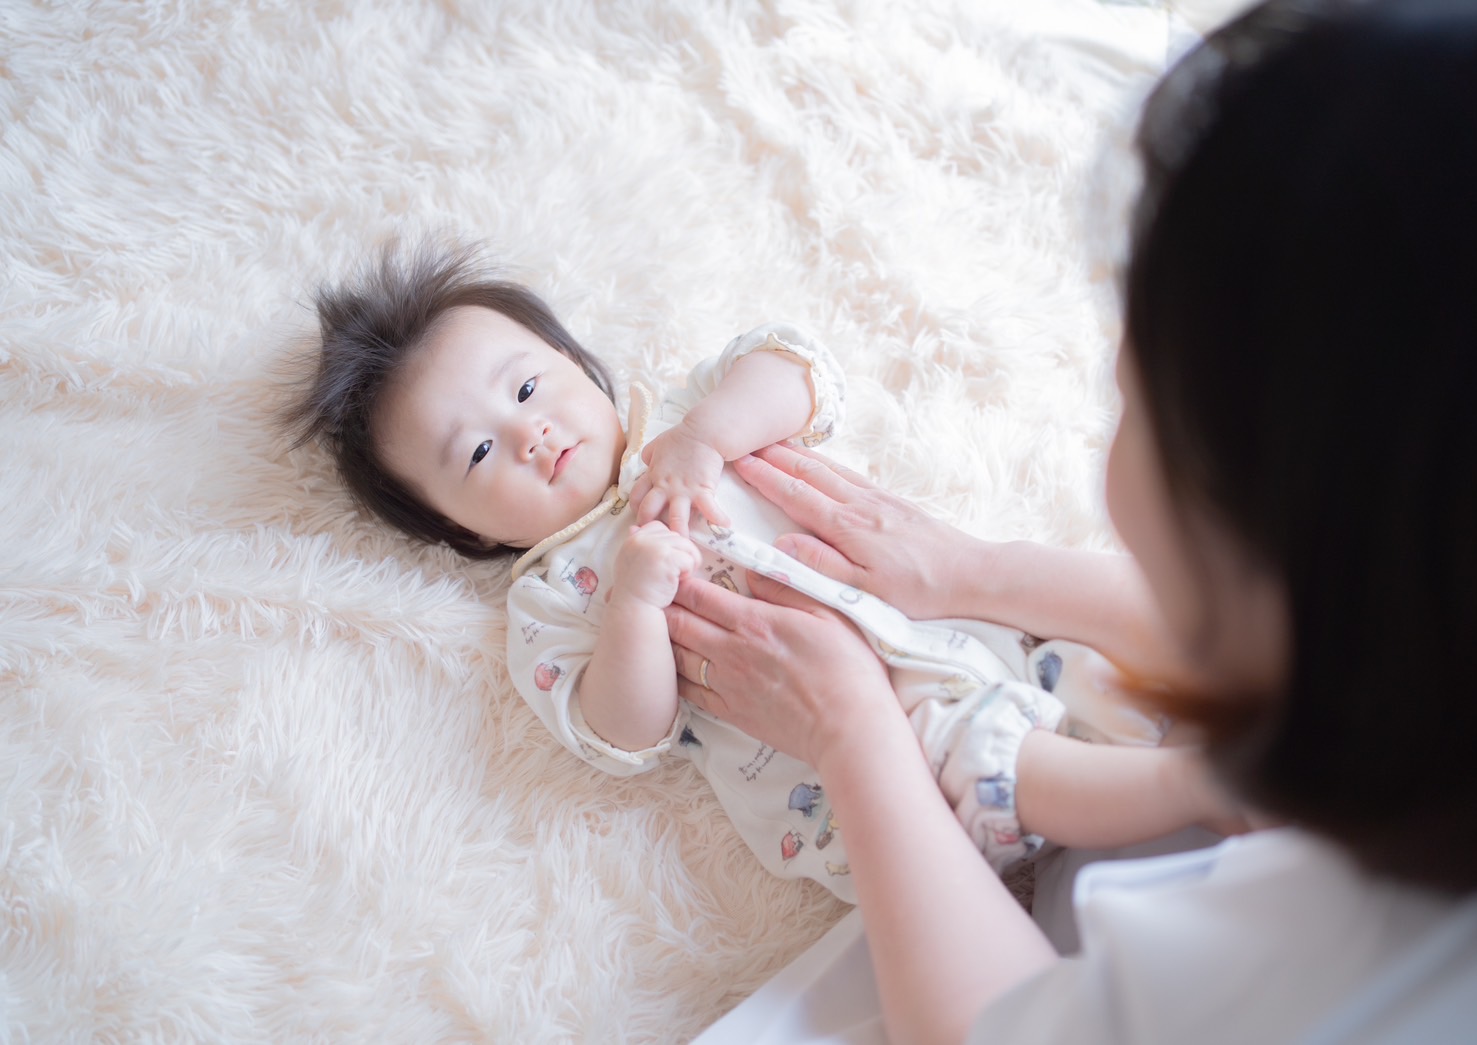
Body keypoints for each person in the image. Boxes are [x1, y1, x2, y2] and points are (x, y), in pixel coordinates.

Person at [665, 0, 1477, 1040]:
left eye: (1135, 404)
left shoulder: (1379, 964)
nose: (1108, 461)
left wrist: (853, 732)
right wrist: (980, 571)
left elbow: (1002, 1026)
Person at [282, 243, 1241, 905]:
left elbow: (798, 365)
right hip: (849, 770)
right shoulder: (548, 595)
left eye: (528, 387)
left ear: (583, 363)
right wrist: (634, 606)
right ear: (467, 534)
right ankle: (1194, 789)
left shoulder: (692, 418)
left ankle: (1211, 749)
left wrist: (707, 437)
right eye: (477, 454)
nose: (527, 433)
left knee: (1091, 673)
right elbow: (622, 733)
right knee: (974, 744)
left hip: (974, 633)